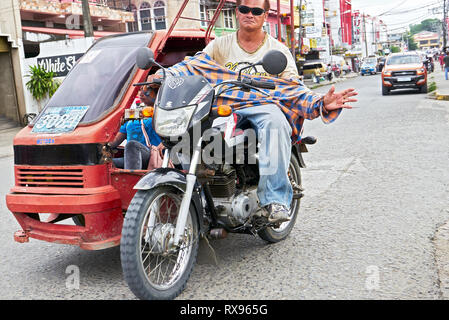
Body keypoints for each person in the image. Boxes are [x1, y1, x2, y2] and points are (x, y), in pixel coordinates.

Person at [148, 0, 357, 223]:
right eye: (245, 9)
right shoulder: (220, 45)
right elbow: (193, 65)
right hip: (224, 106)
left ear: (265, 15)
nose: (250, 14)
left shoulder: (277, 50)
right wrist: (161, 75)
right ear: (237, 12)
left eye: (256, 11)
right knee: (188, 124)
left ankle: (275, 199)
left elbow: (291, 89)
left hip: (263, 105)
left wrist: (320, 103)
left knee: (276, 122)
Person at [109, 89, 163, 170]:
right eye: (140, 90)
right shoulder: (131, 115)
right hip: (130, 159)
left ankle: (131, 179)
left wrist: (163, 145)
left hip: (153, 156)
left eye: (147, 90)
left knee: (132, 145)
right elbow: (115, 141)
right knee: (103, 165)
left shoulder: (164, 112)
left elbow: (174, 135)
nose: (141, 94)